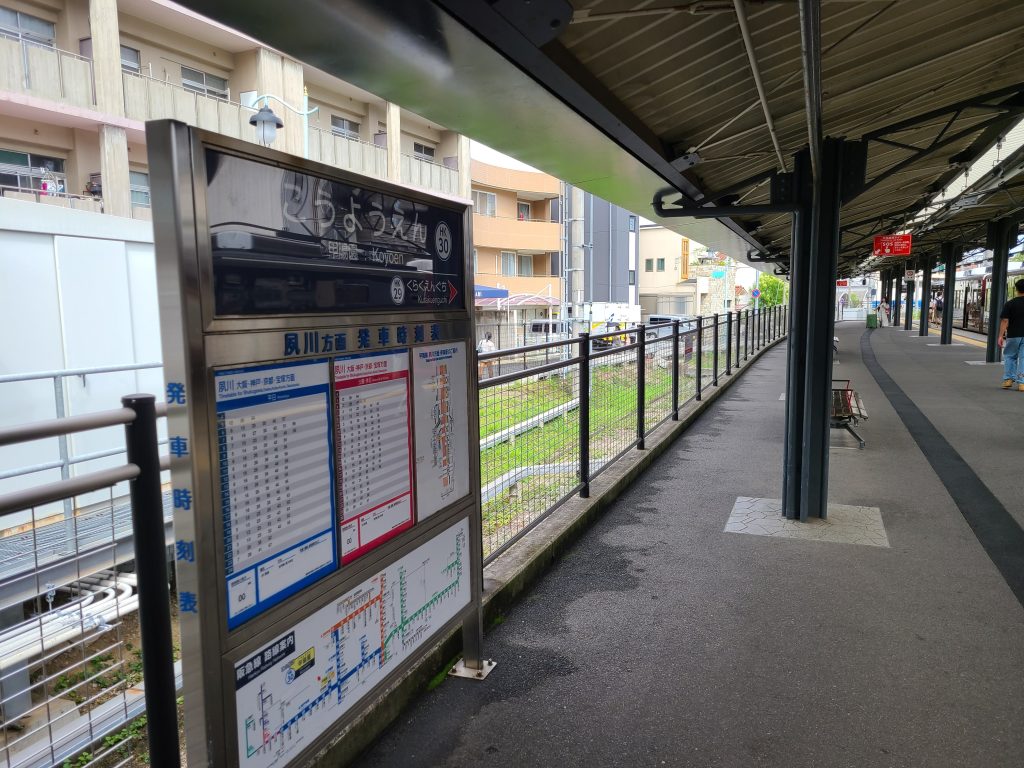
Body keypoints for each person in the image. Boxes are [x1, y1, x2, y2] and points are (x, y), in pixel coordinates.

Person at [998, 278, 1024, 391]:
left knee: (1010, 356)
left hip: (1013, 335)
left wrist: (1000, 335)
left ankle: (1008, 380)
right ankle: (1022, 383)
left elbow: (1005, 321)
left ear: (1017, 289)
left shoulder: (1010, 304)